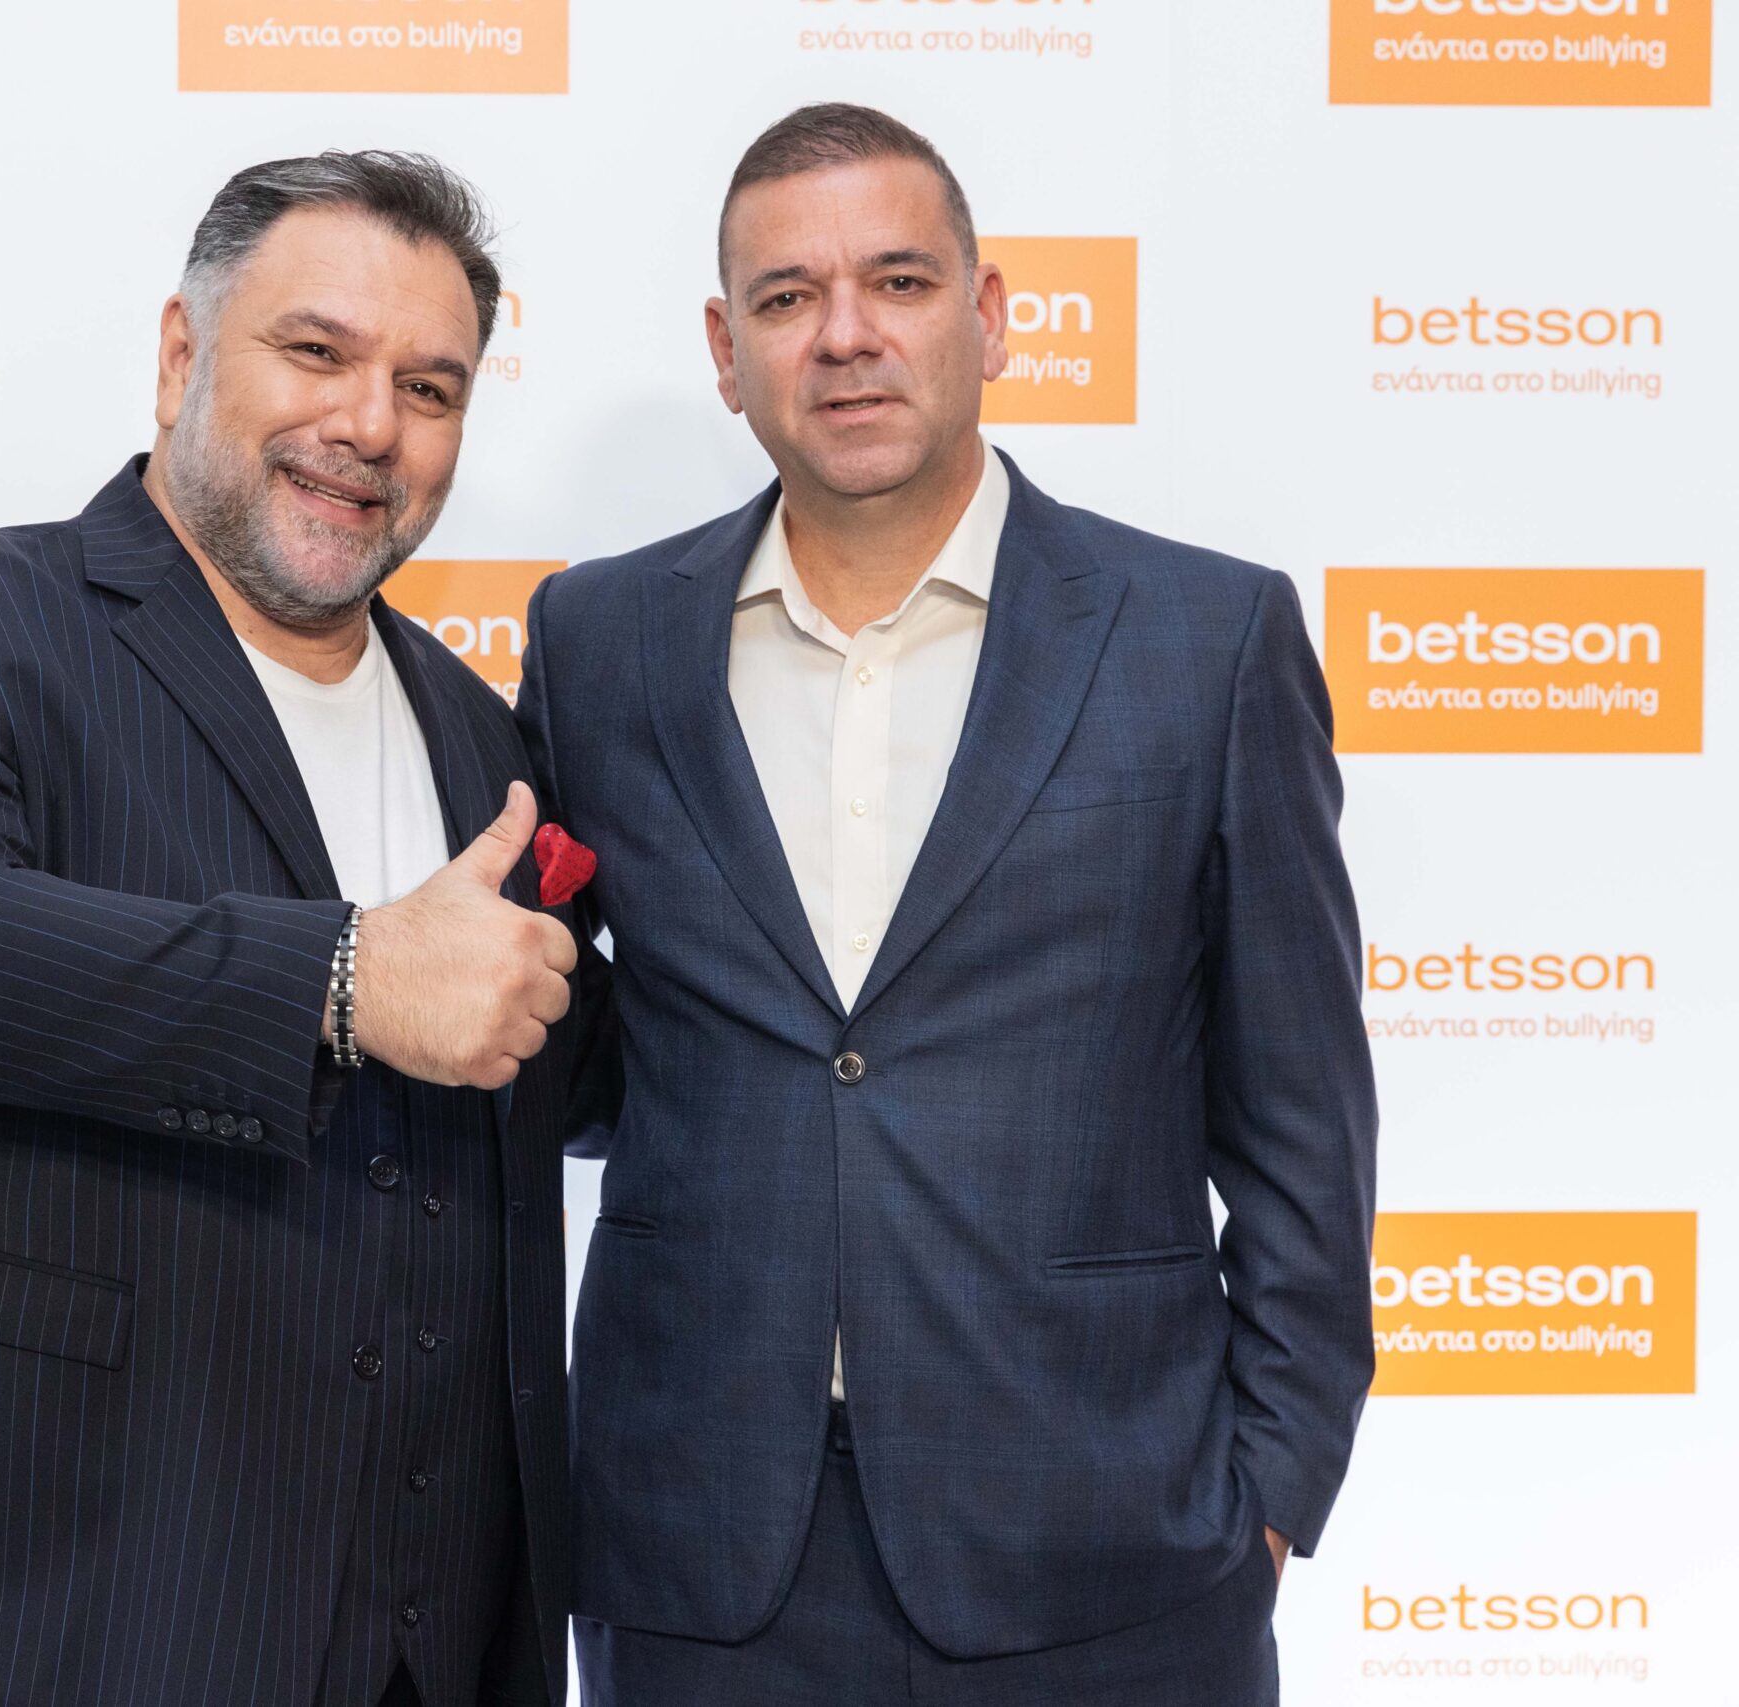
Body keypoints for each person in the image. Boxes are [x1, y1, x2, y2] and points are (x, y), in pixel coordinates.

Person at [0, 150, 588, 1707]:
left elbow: (565, 1076)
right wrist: (347, 980)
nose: (370, 425)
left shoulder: (488, 743)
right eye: (317, 351)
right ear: (180, 354)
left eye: (430, 387)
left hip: (409, 1644)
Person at [520, 103, 1378, 1705]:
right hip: (699, 1553)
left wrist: (1268, 1494)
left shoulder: (1205, 639)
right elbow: (573, 1040)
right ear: (725, 350)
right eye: (786, 297)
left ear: (987, 315)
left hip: (1115, 1550)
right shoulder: (598, 642)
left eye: (899, 282)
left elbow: (1303, 1124)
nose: (844, 335)